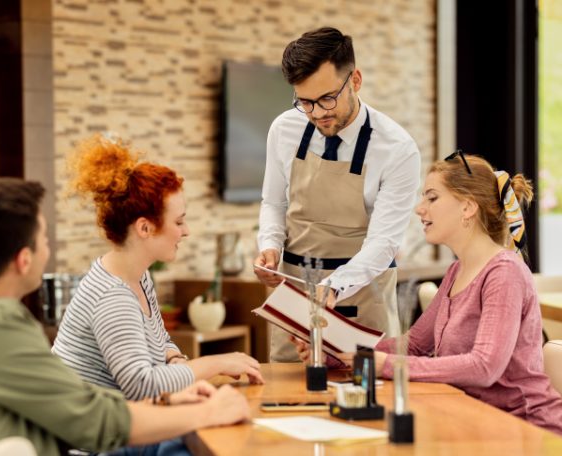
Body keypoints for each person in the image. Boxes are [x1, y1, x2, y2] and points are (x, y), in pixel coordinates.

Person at [0, 178, 251, 456]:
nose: (49, 250)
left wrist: (168, 399)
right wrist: (208, 412)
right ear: (24, 260)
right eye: (44, 240)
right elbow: (97, 424)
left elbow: (77, 401)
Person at [294, 153, 562, 435]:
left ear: (467, 207)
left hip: (527, 430)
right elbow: (414, 345)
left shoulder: (504, 272)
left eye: (432, 198)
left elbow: (485, 366)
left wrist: (390, 365)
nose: (419, 209)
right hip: (476, 420)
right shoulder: (457, 271)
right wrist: (334, 354)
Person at [52, 135, 263, 403]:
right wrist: (215, 364)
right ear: (144, 228)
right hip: (100, 443)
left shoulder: (138, 277)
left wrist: (176, 359)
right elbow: (142, 385)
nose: (186, 231)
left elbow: (158, 341)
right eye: (178, 222)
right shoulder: (112, 297)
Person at [254, 26, 421, 362]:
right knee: (287, 398)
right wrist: (269, 246)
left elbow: (383, 242)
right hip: (296, 296)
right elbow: (274, 202)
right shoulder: (284, 129)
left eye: (327, 98)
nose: (317, 113)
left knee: (367, 398)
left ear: (355, 80)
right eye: (305, 102)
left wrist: (334, 285)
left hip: (365, 295)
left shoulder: (397, 149)